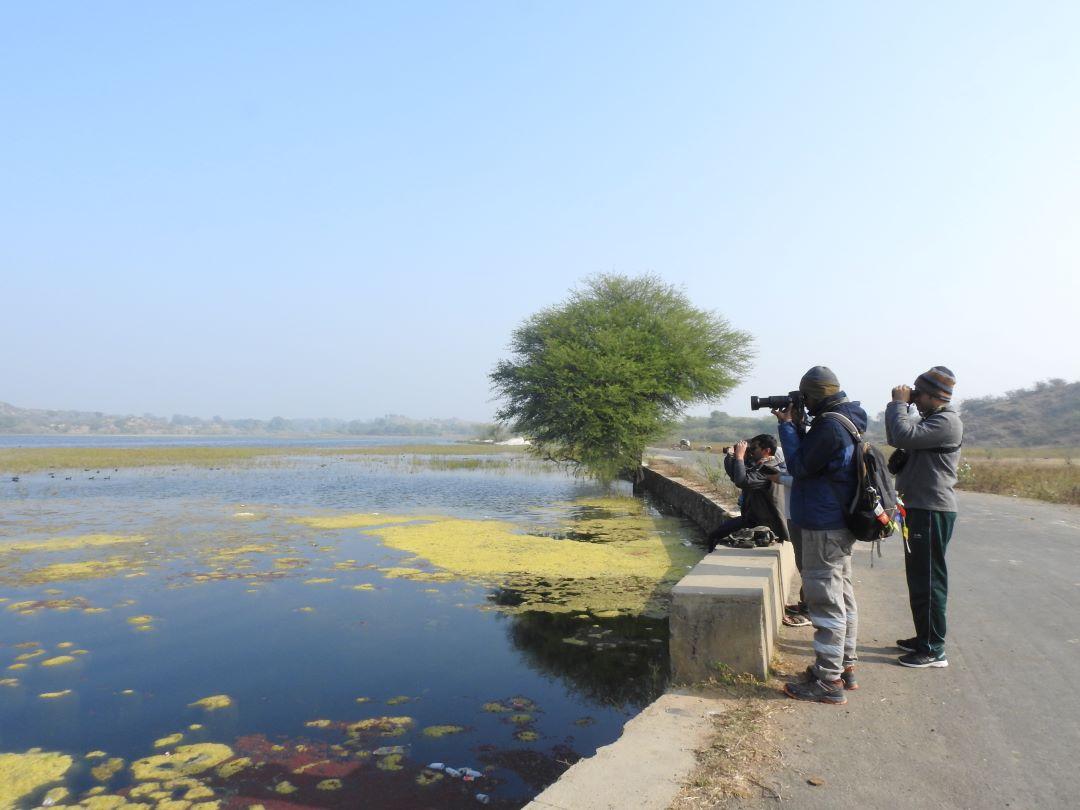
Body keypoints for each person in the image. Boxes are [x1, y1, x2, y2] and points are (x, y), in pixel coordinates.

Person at [773, 366, 867, 704]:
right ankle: (845, 667)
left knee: (826, 602)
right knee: (841, 596)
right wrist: (798, 425)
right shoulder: (847, 418)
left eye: (805, 399)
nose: (804, 405)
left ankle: (828, 682)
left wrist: (786, 427)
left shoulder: (829, 427)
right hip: (835, 522)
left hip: (822, 524)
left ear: (813, 395)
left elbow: (799, 467)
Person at [886, 366, 963, 668]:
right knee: (919, 578)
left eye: (919, 394)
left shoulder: (947, 422)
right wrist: (903, 409)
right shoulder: (930, 420)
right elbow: (898, 435)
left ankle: (933, 650)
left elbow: (900, 433)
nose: (915, 398)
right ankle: (924, 637)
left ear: (935, 396)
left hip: (932, 509)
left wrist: (898, 404)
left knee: (929, 580)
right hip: (919, 508)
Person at [705, 434, 788, 552]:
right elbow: (735, 476)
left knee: (716, 537)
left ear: (766, 451)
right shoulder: (760, 465)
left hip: (767, 524)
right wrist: (732, 456)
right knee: (715, 535)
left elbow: (741, 481)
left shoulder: (769, 469)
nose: (751, 451)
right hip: (753, 519)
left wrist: (739, 456)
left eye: (754, 448)